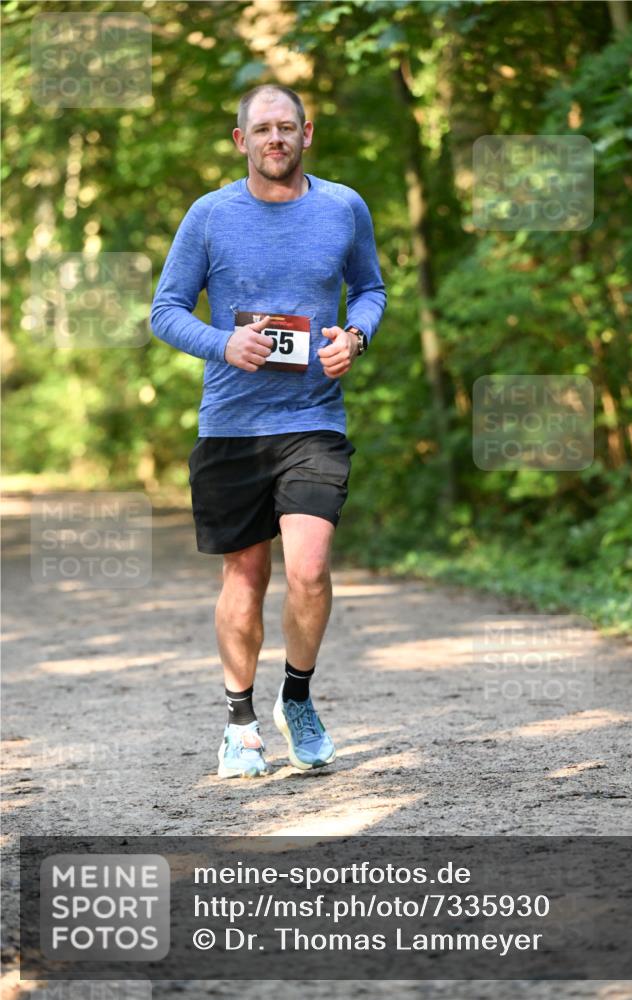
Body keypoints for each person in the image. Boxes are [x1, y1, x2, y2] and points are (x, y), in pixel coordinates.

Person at [150, 83, 386, 778]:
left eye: (287, 127)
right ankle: (239, 722)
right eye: (262, 129)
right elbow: (164, 310)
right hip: (232, 425)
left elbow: (369, 288)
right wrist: (222, 344)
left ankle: (298, 699)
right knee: (245, 575)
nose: (275, 139)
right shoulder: (210, 216)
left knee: (310, 569)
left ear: (306, 134)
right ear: (240, 140)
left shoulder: (342, 207)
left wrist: (356, 337)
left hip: (312, 418)